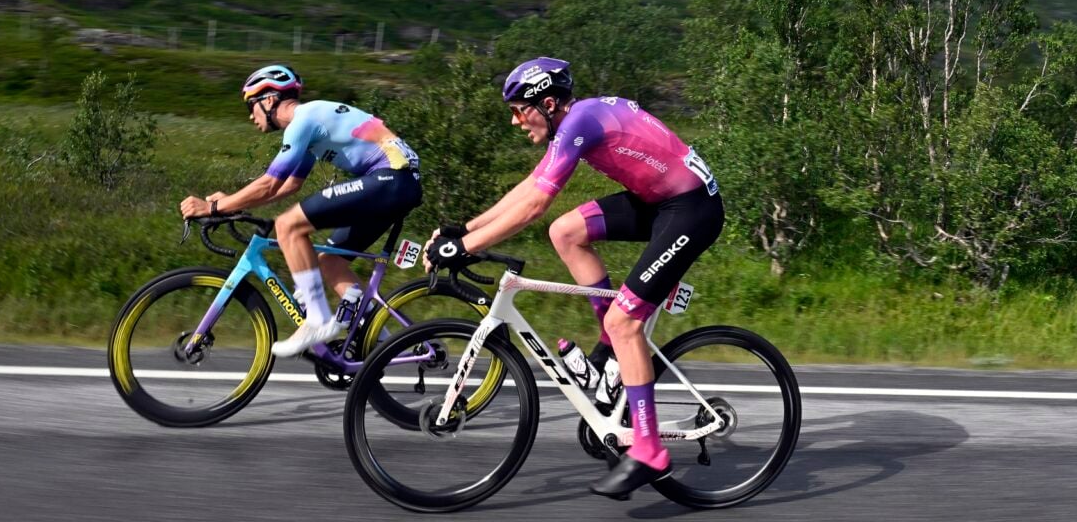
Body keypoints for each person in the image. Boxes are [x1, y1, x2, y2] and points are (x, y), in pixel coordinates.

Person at [423, 57, 723, 499]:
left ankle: (649, 450)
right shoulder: (574, 121)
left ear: (546, 103)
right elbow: (531, 185)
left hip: (691, 210)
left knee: (626, 322)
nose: (514, 121)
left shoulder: (580, 121)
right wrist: (463, 230)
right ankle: (610, 359)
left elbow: (532, 206)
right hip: (659, 201)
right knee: (565, 232)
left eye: (517, 109)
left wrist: (462, 250)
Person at [180, 64, 422, 357]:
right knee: (330, 261)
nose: (250, 115)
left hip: (391, 177)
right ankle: (380, 343)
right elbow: (288, 186)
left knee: (288, 225)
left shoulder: (302, 121)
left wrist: (214, 206)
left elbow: (270, 184)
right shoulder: (311, 125)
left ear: (269, 100)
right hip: (397, 183)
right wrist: (230, 204)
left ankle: (318, 319)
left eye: (251, 105)